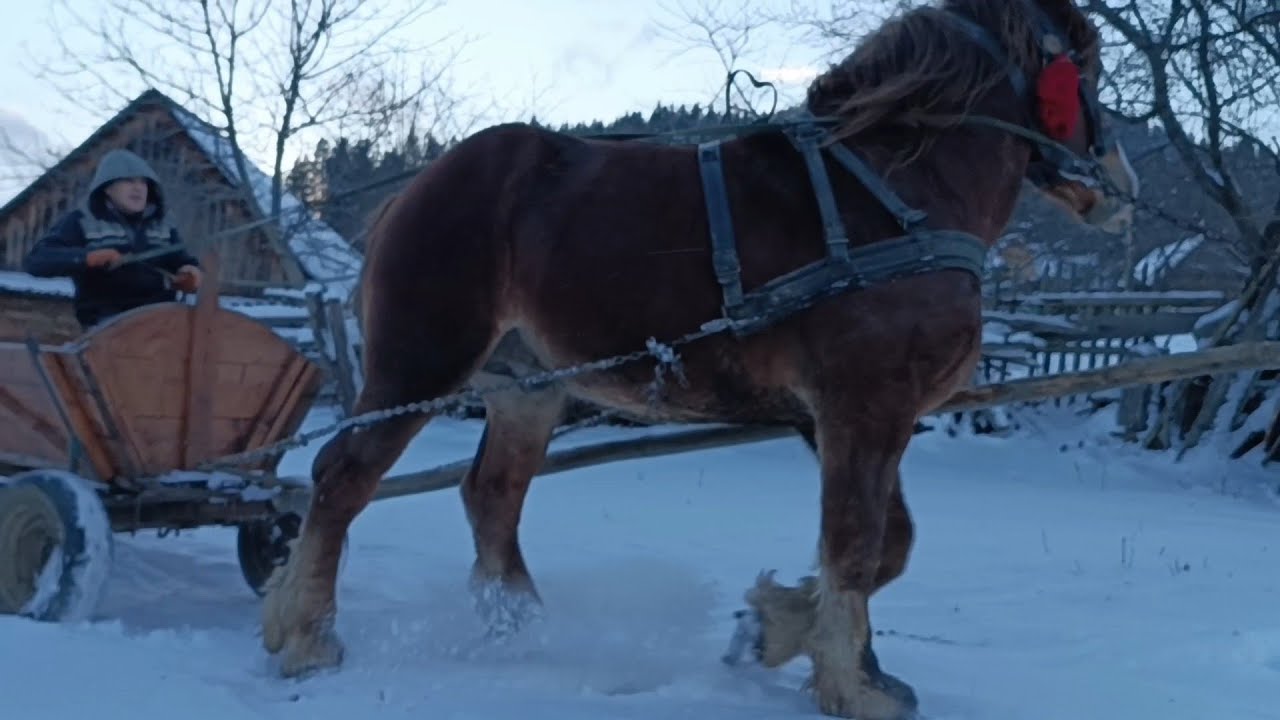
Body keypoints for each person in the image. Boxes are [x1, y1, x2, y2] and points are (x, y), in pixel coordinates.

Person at [23, 147, 203, 330]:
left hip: (161, 322)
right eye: (128, 181)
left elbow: (183, 260)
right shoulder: (82, 221)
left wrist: (191, 273)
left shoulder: (163, 224)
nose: (138, 188)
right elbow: (37, 261)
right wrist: (87, 258)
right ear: (107, 188)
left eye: (143, 182)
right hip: (106, 325)